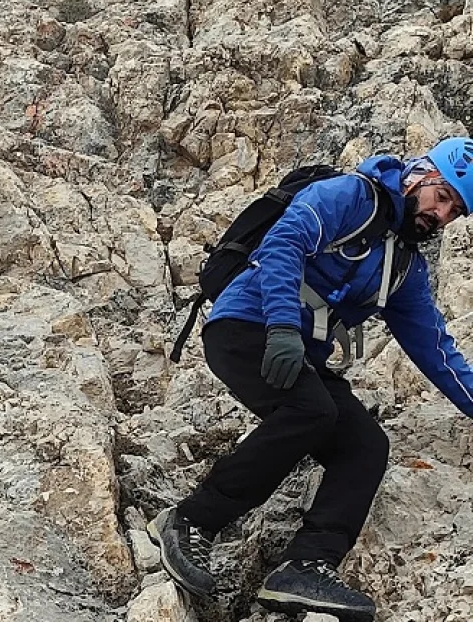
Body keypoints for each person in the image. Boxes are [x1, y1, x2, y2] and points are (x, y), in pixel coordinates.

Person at [150, 138, 473, 621]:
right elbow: (285, 241)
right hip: (246, 324)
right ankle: (191, 520)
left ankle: (305, 566)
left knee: (365, 444)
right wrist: (282, 325)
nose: (442, 215)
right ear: (418, 174)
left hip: (297, 353)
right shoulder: (351, 196)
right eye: (442, 196)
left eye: (455, 211)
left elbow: (436, 350)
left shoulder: (404, 267)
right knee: (312, 411)